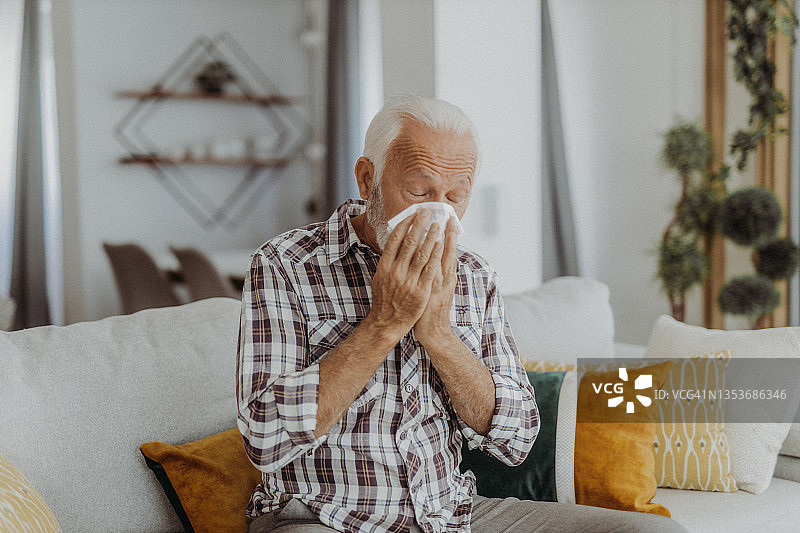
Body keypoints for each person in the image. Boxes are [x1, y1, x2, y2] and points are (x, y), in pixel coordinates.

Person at [237, 95, 686, 533]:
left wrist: (438, 335)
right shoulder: (285, 265)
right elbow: (264, 437)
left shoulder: (473, 276)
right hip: (322, 517)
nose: (438, 213)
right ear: (366, 178)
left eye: (454, 197)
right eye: (418, 191)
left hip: (453, 515)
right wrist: (383, 324)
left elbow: (516, 439)